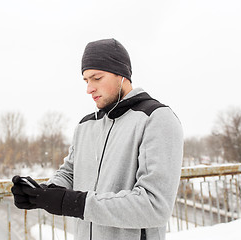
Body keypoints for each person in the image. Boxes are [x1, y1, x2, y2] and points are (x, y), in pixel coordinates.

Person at [11, 38, 183, 240]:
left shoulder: (156, 119)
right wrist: (44, 193)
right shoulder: (86, 125)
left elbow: (155, 206)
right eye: (86, 80)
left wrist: (73, 203)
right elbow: (70, 172)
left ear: (122, 75)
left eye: (97, 78)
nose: (89, 88)